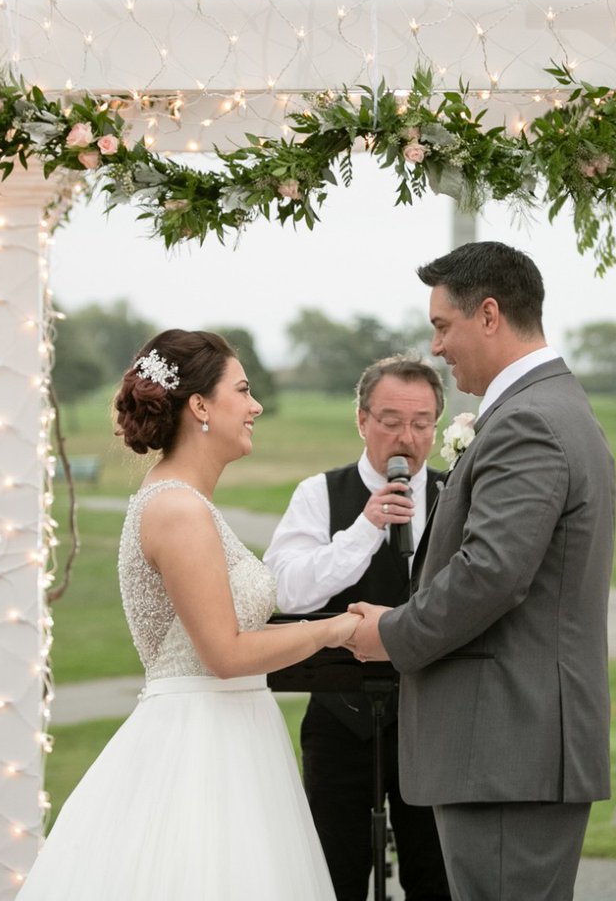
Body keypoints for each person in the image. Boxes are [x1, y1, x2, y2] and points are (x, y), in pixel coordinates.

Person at [17, 329, 360, 901]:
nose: (255, 407)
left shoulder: (186, 501)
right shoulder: (176, 509)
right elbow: (224, 654)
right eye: (243, 391)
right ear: (200, 405)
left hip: (236, 735)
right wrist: (337, 627)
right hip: (199, 752)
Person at [346, 243, 615, 901]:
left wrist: (394, 633)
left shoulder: (529, 421)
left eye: (443, 326)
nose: (436, 348)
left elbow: (491, 573)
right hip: (512, 752)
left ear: (488, 314)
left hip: (506, 750)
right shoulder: (549, 407)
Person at [264, 356, 452, 901]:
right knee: (332, 876)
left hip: (434, 721)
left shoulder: (457, 492)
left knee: (436, 879)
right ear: (362, 420)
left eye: (422, 424)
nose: (407, 437)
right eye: (391, 420)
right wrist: (365, 528)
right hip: (340, 720)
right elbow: (287, 590)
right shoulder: (319, 495)